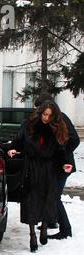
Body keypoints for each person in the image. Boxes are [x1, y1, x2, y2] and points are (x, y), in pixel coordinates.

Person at [8, 101, 74, 252]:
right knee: (31, 200)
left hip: (49, 168)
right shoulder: (28, 125)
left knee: (47, 198)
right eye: (45, 114)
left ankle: (44, 227)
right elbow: (18, 140)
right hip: (31, 167)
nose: (46, 118)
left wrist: (65, 163)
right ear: (40, 113)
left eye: (50, 116)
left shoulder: (56, 128)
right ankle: (32, 235)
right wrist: (13, 148)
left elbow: (61, 149)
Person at [33, 95, 81, 239]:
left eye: (38, 108)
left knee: (54, 196)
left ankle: (66, 230)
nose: (38, 112)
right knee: (48, 193)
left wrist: (62, 154)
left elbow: (74, 140)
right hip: (53, 165)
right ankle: (51, 221)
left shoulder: (61, 119)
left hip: (62, 166)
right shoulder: (49, 120)